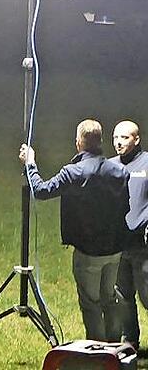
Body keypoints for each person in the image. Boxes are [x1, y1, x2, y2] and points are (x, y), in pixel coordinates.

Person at [19, 119, 130, 342]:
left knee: (91, 302)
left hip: (88, 252)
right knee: (109, 296)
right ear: (100, 141)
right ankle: (115, 346)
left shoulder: (74, 172)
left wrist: (30, 164)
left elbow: (41, 190)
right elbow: (125, 206)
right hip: (114, 249)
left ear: (79, 142)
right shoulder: (119, 171)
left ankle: (97, 351)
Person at [112, 120, 148, 350]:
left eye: (125, 138)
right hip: (117, 245)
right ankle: (130, 341)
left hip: (142, 246)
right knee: (123, 296)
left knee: (147, 295)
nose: (119, 142)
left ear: (137, 140)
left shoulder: (146, 164)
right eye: (116, 137)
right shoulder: (110, 166)